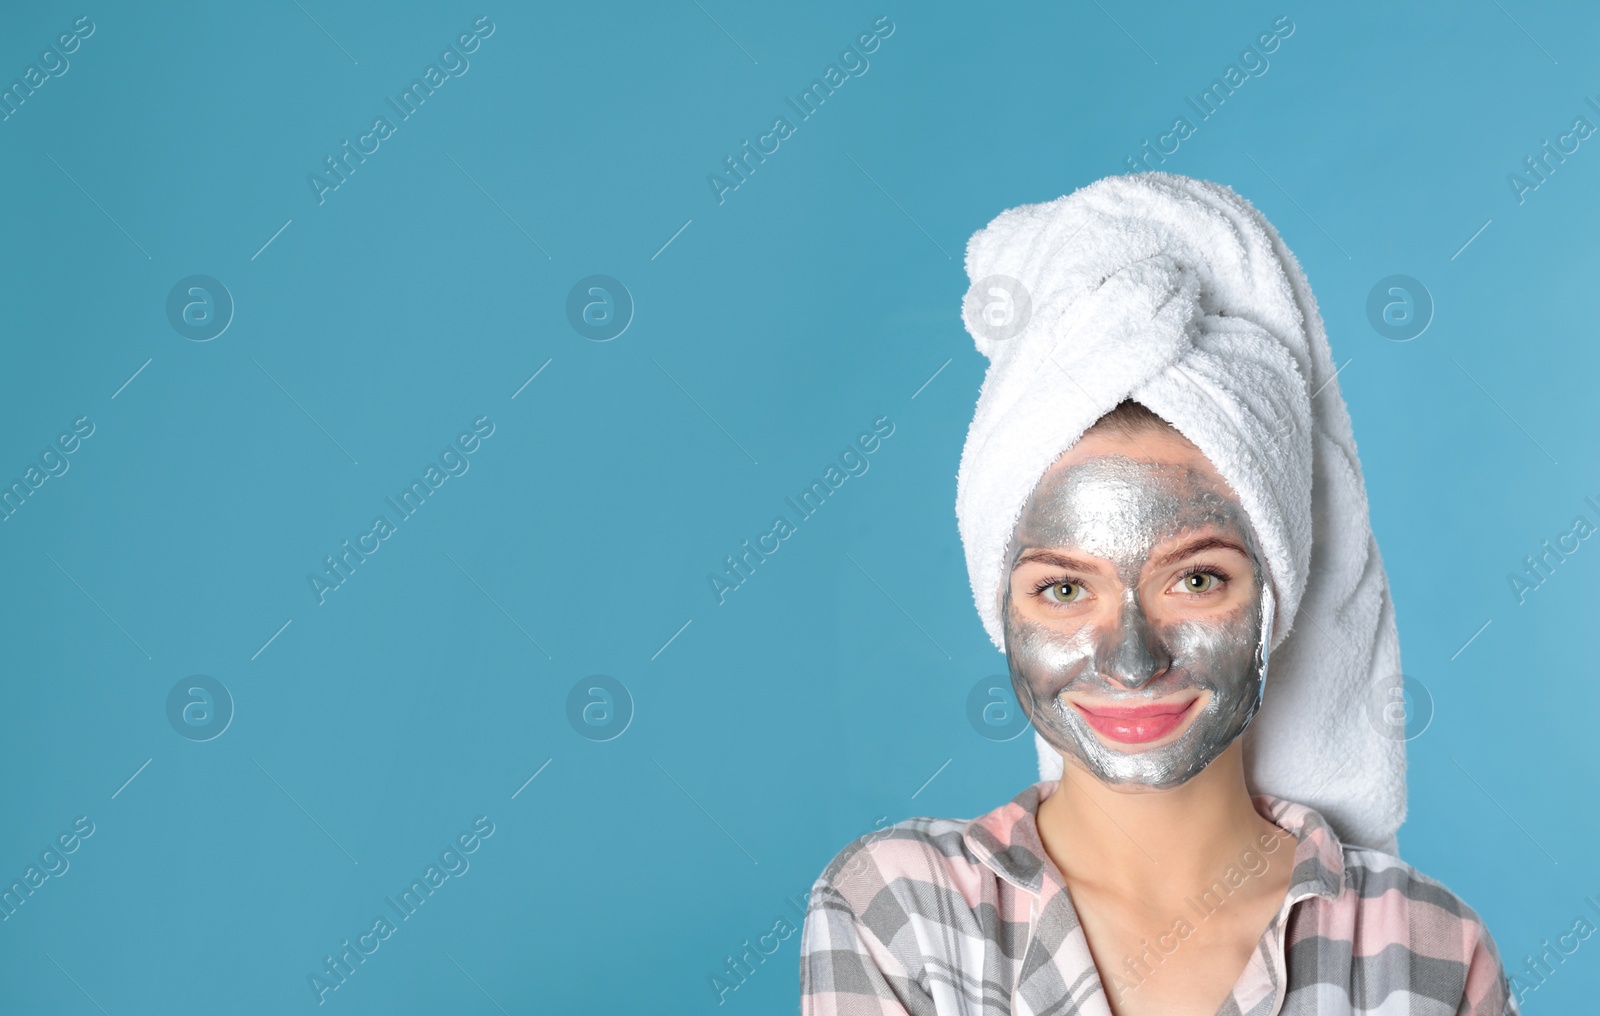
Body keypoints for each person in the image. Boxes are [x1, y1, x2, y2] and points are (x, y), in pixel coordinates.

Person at [799, 174, 1517, 1015]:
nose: (1132, 659)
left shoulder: (1428, 951)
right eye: (1065, 588)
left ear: (1273, 597)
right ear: (1000, 610)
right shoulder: (900, 913)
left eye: (1196, 579)